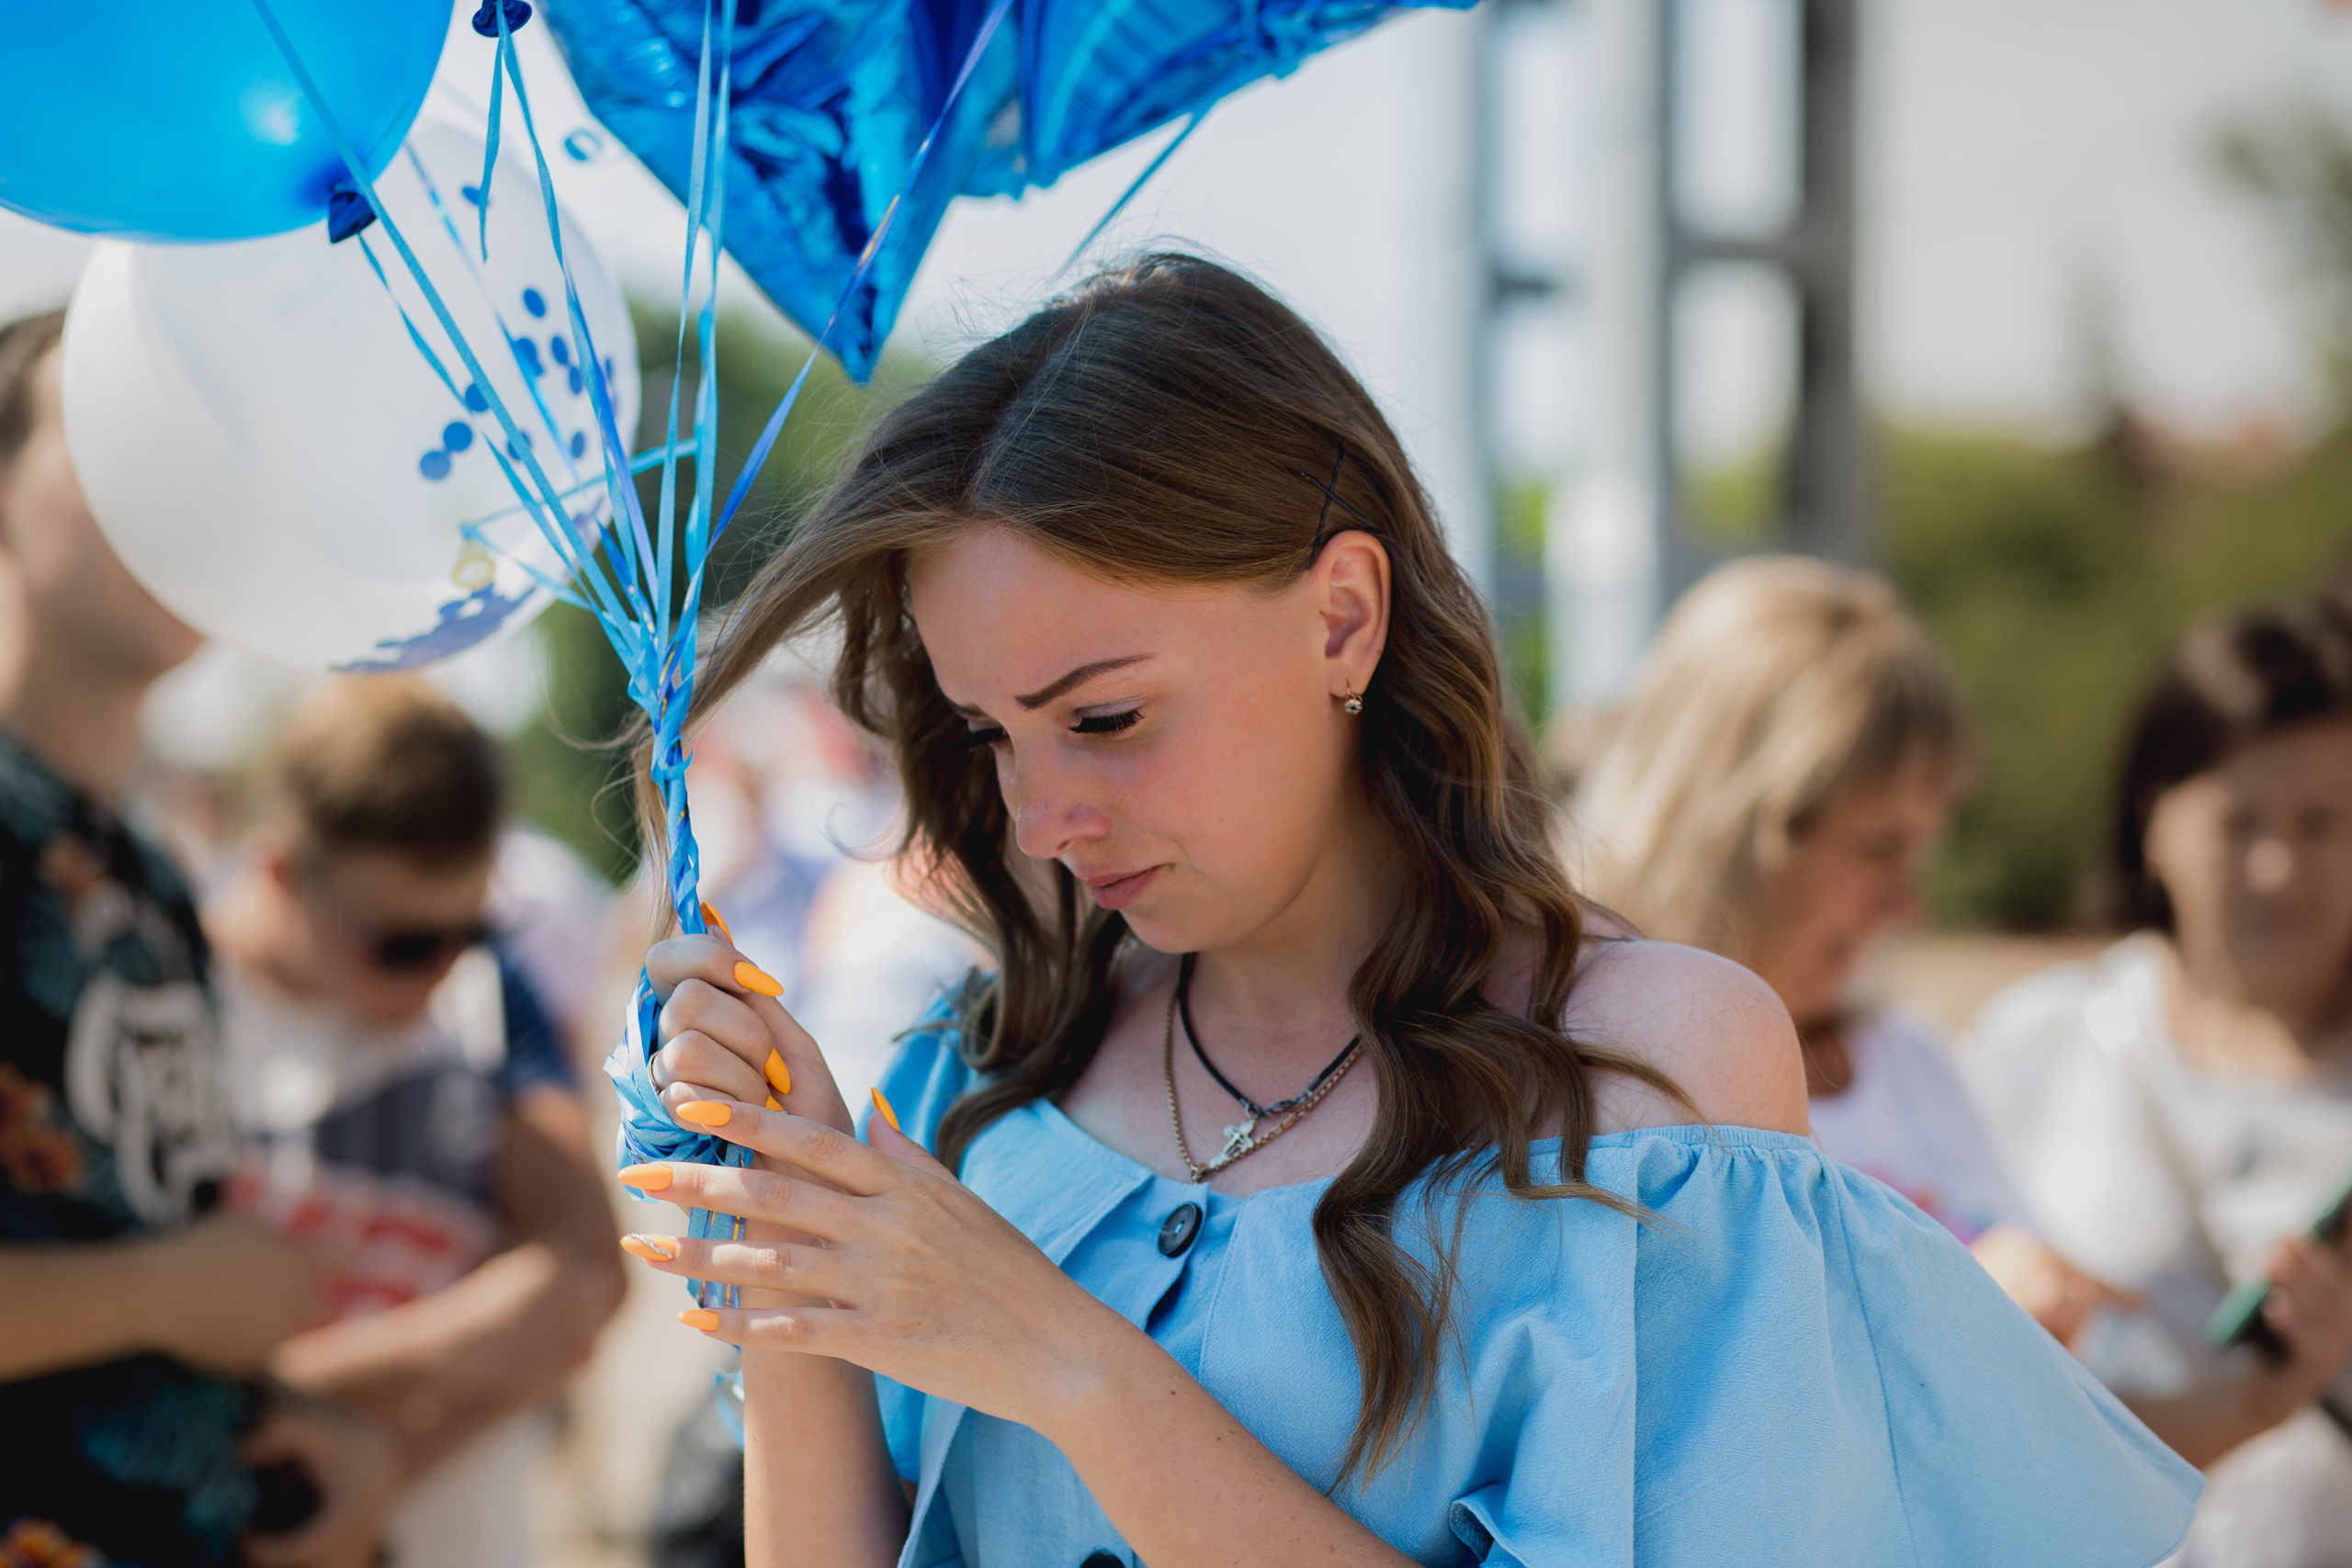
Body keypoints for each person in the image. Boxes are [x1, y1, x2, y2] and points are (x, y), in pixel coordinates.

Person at [616, 256, 2198, 1566]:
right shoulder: (969, 1079)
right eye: (986, 735)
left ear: (1344, 617)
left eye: (1101, 718)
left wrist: (1070, 1362)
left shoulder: (1656, 1069)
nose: (1037, 815)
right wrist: (790, 1244)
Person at [0, 309, 399, 1564]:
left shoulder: (159, 874)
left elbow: (148, 1237)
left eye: (197, 442)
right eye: (111, 424)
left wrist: (317, 1428)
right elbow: (171, 1278)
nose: (168, 476)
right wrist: (175, 1294)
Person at [1567, 555, 2124, 1341]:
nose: (1911, 904)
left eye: (1921, 853)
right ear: (1733, 829)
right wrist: (1959, 1309)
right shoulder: (1582, 1082)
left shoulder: (1911, 1061)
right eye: (1879, 847)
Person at [1958, 596, 2352, 1564]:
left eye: (2322, 822)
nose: (2277, 868)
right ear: (2153, 822)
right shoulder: (2032, 1043)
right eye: (2237, 822)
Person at [204, 675, 627, 1567]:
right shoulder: (179, 996)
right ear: (281, 871)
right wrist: (457, 1341)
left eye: (471, 932)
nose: (443, 969)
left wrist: (380, 1467)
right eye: (403, 944)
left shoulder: (485, 1000)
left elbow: (586, 1281)